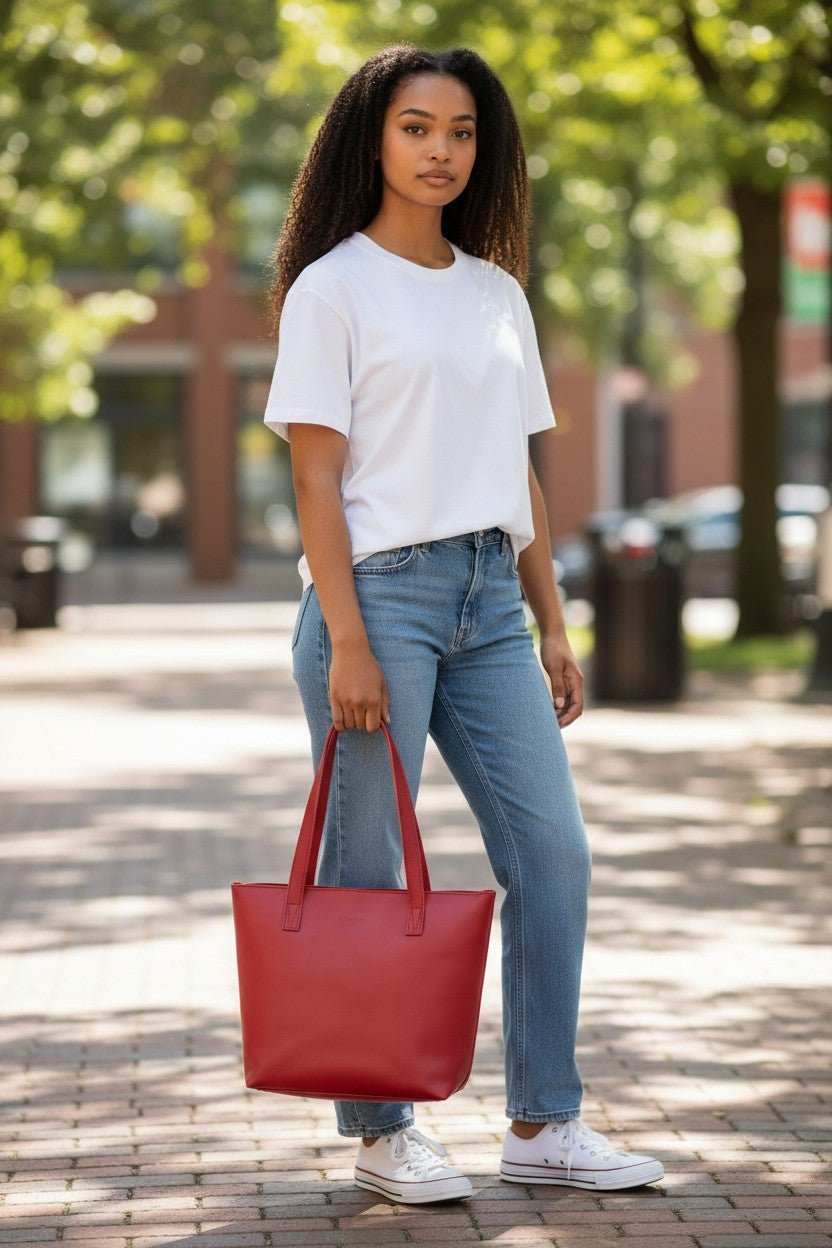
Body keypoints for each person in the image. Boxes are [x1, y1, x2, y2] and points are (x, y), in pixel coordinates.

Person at [263, 42, 664, 1204]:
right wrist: (345, 639)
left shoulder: (497, 293)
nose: (441, 150)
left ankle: (543, 1120)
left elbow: (515, 470)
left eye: (463, 132)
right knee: (369, 871)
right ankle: (382, 1131)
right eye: (416, 127)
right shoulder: (331, 288)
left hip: (492, 601)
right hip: (376, 598)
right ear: (372, 139)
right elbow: (314, 480)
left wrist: (553, 622)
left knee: (553, 853)